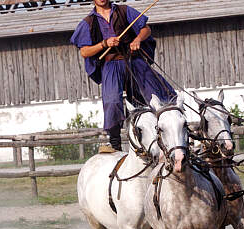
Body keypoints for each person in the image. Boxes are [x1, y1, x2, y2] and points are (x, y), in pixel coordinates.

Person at [70, 0, 175, 152]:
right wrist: (104, 44)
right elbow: (84, 52)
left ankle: (171, 136)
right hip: (111, 64)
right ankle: (115, 144)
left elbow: (146, 29)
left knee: (157, 95)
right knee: (112, 101)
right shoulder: (88, 22)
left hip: (134, 59)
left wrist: (137, 39)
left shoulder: (124, 11)